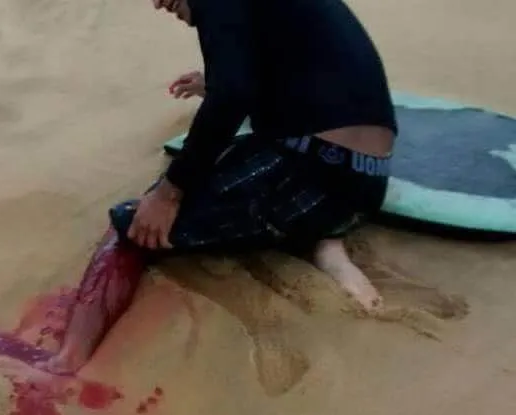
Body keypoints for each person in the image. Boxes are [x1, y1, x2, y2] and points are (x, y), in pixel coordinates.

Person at [110, 0, 399, 311]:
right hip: (366, 182)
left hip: (314, 177)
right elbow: (288, 75)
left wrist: (168, 194)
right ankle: (325, 243)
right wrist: (218, 83)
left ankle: (68, 355)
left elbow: (232, 98)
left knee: (137, 221)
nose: (159, 3)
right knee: (276, 187)